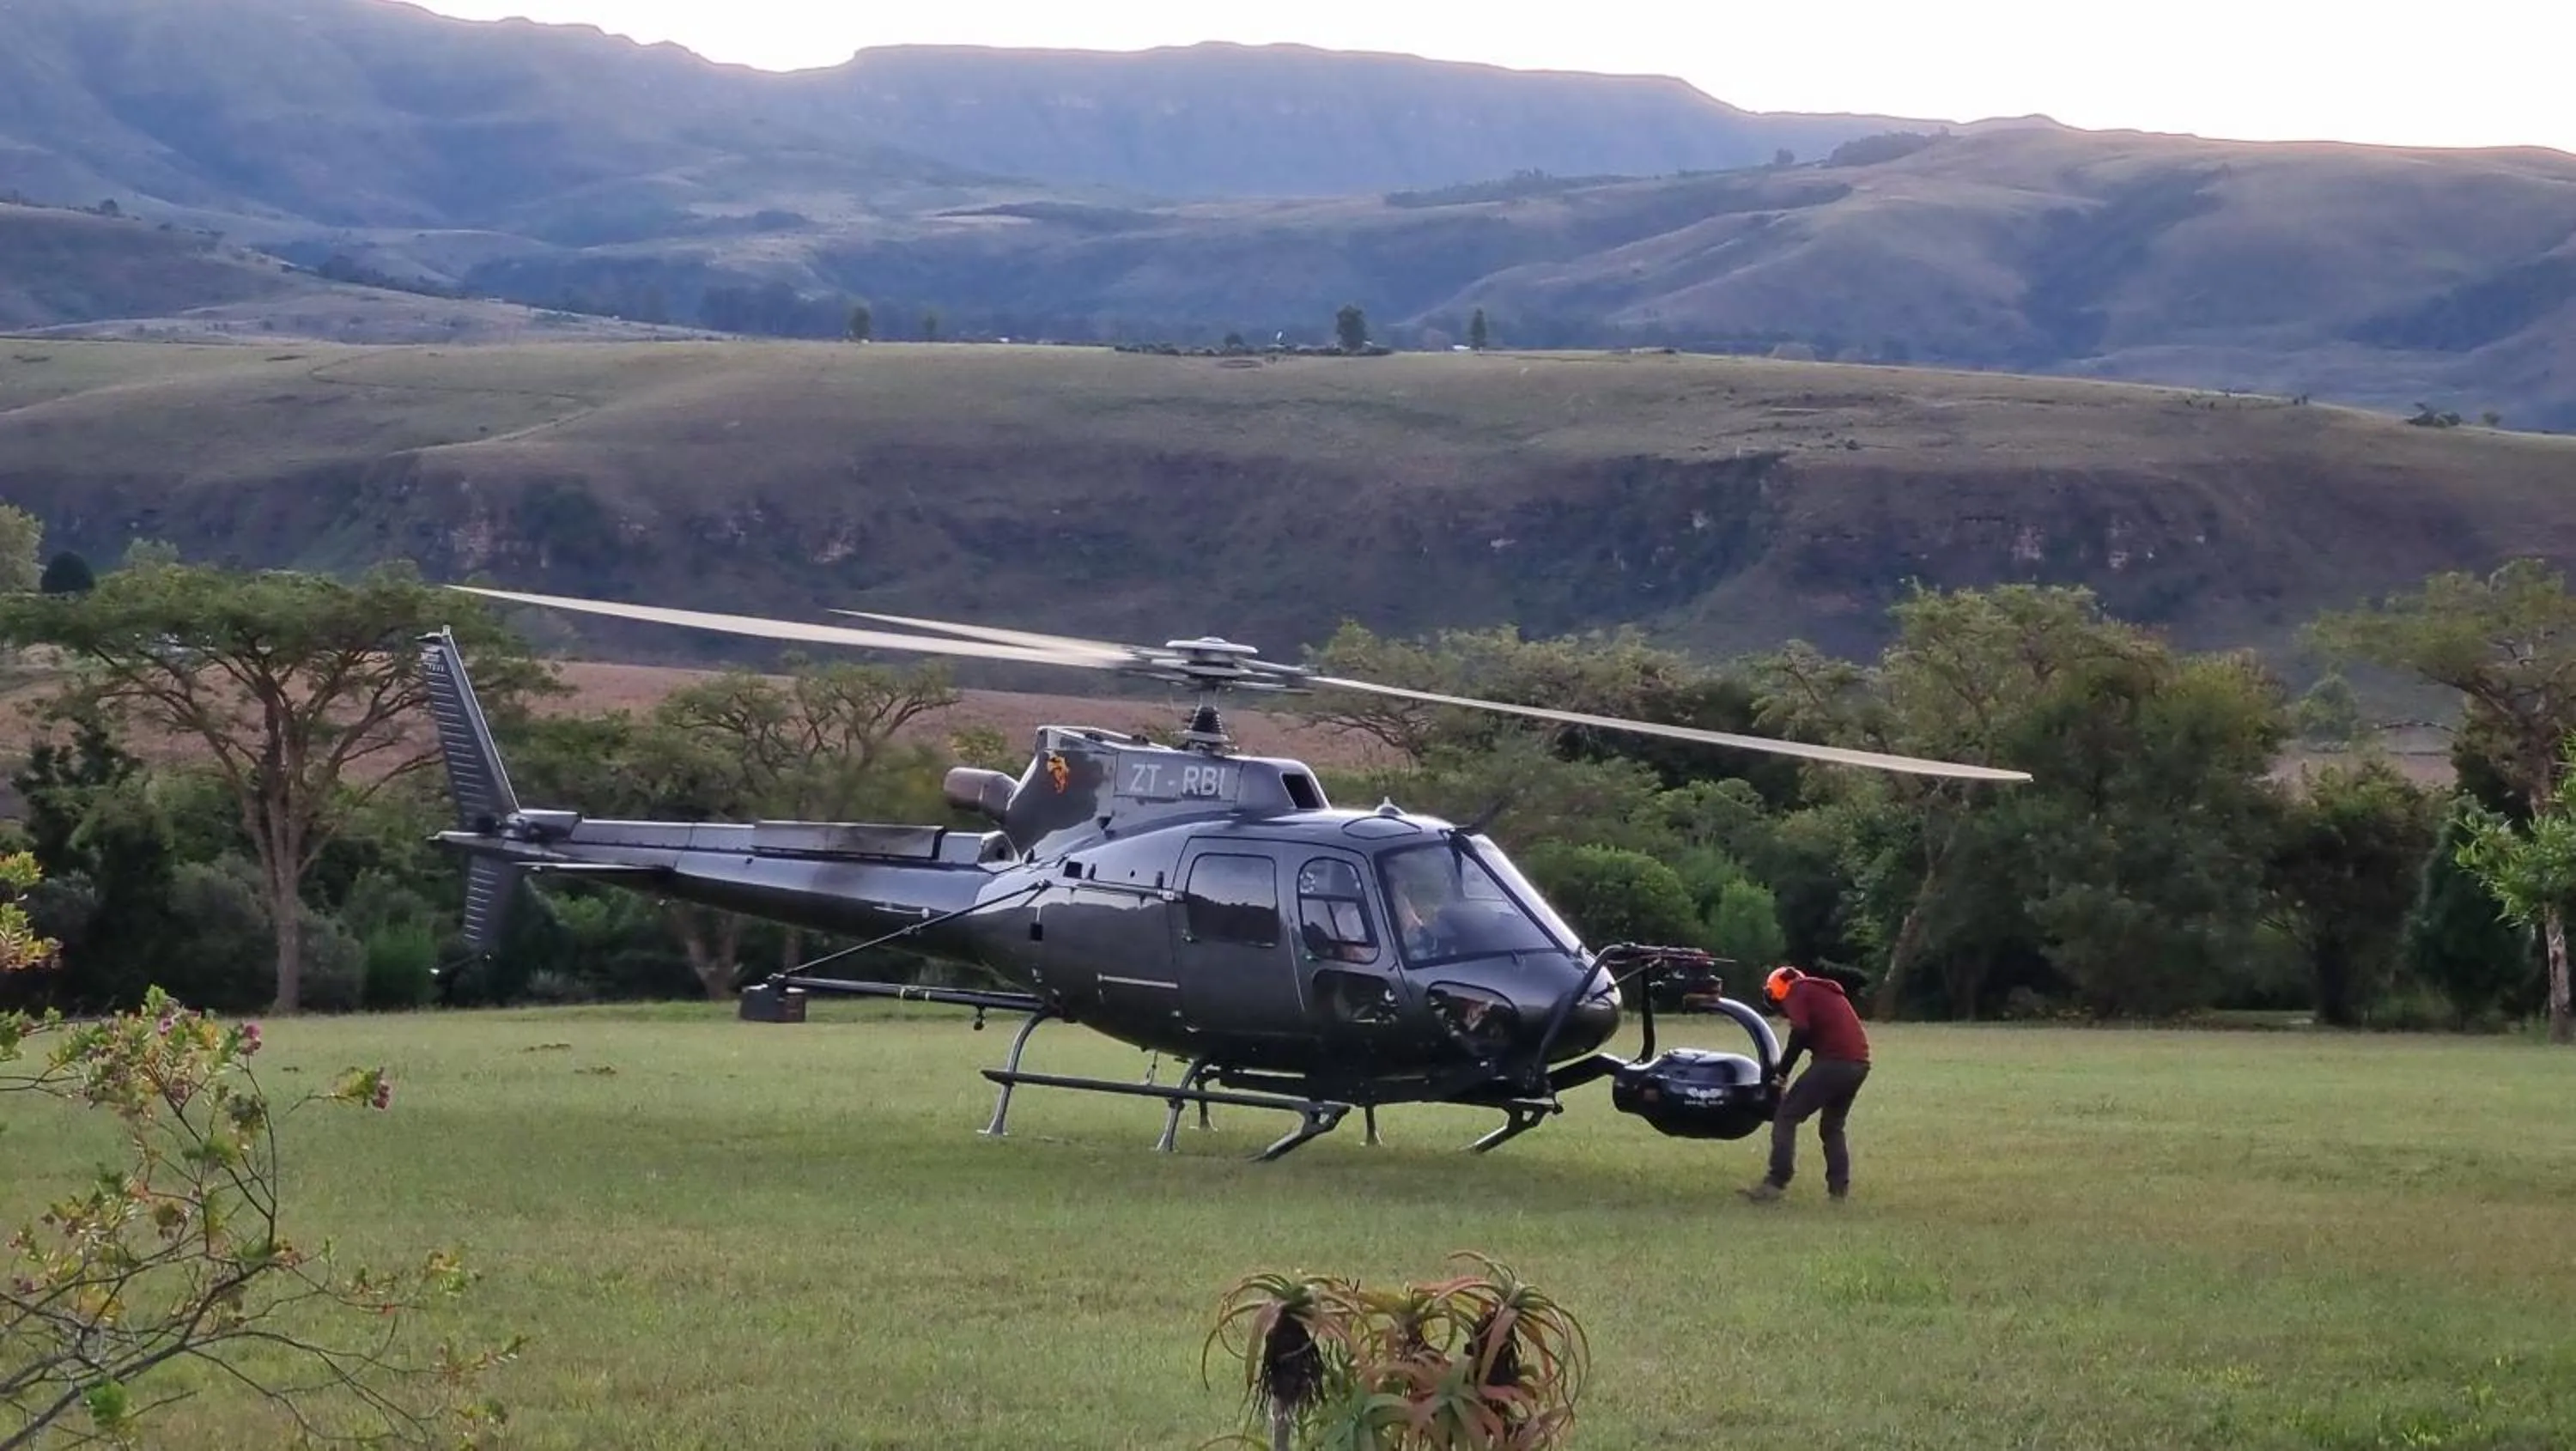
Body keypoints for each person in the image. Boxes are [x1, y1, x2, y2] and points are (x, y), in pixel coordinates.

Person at [1740, 965, 1870, 1204]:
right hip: (1858, 1065)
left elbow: (1800, 1031)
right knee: (1832, 1127)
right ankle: (1838, 1191)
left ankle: (1775, 1182)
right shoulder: (1821, 992)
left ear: (1777, 990)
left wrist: (1782, 1073)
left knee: (1786, 1116)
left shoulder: (1797, 991)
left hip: (1834, 1063)